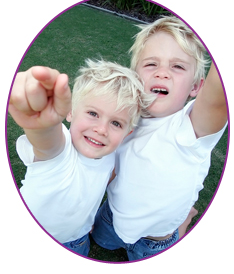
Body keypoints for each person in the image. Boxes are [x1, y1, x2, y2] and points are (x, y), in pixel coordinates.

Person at [91, 16, 228, 261]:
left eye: (177, 67)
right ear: (135, 77)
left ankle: (184, 221)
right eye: (151, 64)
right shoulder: (123, 115)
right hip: (112, 217)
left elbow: (219, 94)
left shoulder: (191, 129)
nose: (162, 73)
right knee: (99, 241)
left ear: (196, 87)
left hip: (155, 241)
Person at [8, 59, 154, 257]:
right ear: (70, 111)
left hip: (76, 240)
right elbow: (47, 140)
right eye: (93, 113)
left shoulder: (109, 155)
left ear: (128, 133)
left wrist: (85, 221)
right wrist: (40, 122)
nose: (101, 129)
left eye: (116, 123)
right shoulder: (61, 149)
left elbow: (96, 184)